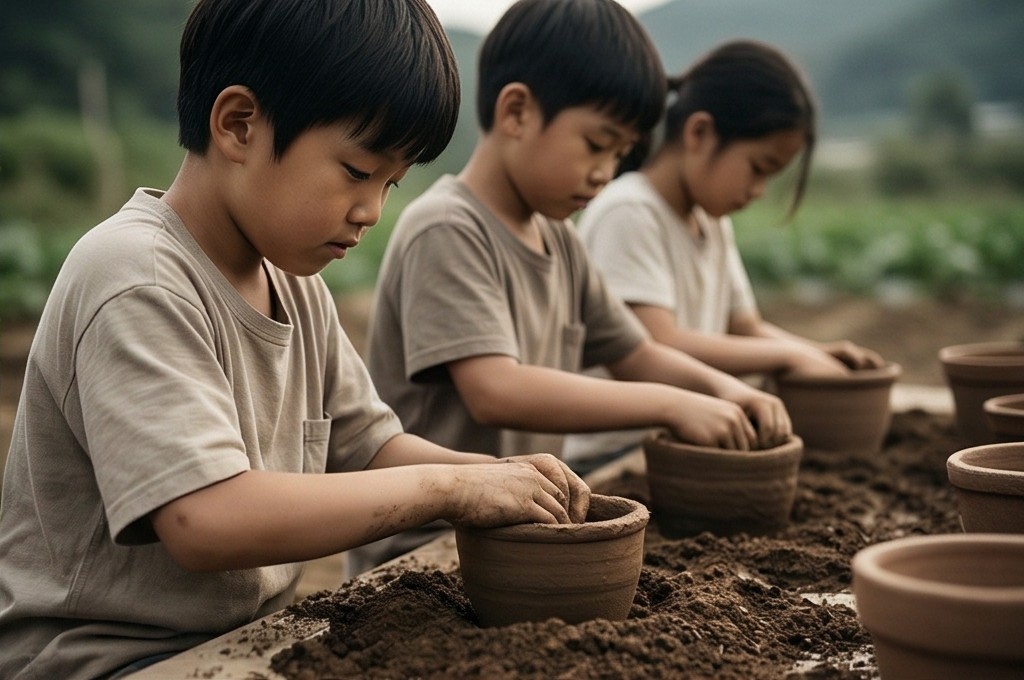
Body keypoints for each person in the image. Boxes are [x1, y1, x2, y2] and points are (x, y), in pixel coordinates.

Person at [0, 2, 591, 678]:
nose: (373, 211)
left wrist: (497, 478)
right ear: (239, 125)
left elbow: (370, 448)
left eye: (391, 183)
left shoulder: (296, 283)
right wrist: (450, 489)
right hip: (113, 661)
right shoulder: (136, 277)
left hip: (244, 643)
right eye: (356, 171)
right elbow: (206, 519)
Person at [353, 0, 792, 574]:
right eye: (596, 143)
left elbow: (636, 353)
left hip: (526, 532)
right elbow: (496, 389)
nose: (606, 172)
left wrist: (724, 391)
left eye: (619, 154)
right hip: (427, 550)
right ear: (517, 112)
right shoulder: (447, 228)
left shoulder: (561, 241)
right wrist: (674, 404)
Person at [561, 39, 885, 468]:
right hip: (614, 456)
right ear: (699, 133)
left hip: (688, 438)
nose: (758, 191)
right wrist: (791, 356)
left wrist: (818, 351)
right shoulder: (630, 211)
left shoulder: (710, 221)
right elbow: (658, 340)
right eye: (758, 167)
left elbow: (744, 326)